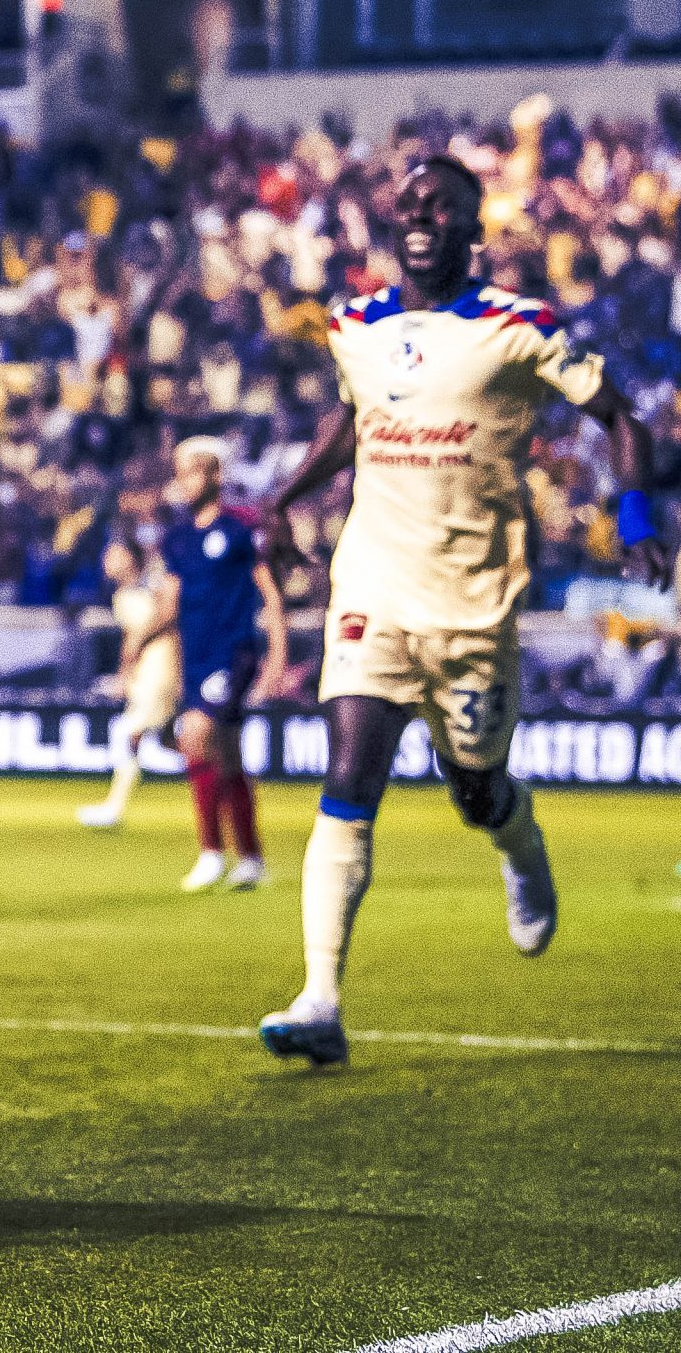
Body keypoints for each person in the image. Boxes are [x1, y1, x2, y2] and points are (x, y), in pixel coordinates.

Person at [254, 156, 672, 1068]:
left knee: (475, 788)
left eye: (439, 206)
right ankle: (321, 997)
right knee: (350, 777)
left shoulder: (518, 327)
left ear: (469, 229)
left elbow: (622, 416)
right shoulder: (356, 324)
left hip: (474, 604)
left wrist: (635, 510)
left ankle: (521, 849)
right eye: (407, 204)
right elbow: (349, 422)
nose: (419, 217)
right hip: (371, 588)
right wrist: (283, 498)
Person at [159, 438, 288, 893]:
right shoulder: (176, 539)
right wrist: (140, 643)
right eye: (179, 470)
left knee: (194, 733)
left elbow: (270, 594)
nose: (183, 479)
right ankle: (251, 858)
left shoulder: (239, 531)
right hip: (196, 657)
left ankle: (211, 851)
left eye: (193, 470)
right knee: (228, 755)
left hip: (233, 654)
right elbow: (170, 604)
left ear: (215, 474)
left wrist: (278, 654)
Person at [76, 536, 181, 831]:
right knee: (168, 739)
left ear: (131, 557)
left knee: (128, 733)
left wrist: (144, 644)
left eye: (114, 554)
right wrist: (125, 674)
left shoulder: (153, 585)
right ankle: (221, 776)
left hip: (160, 667)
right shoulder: (121, 595)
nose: (107, 561)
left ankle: (114, 807)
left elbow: (169, 620)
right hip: (143, 671)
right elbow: (128, 640)